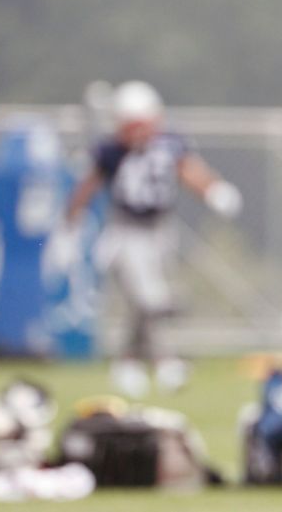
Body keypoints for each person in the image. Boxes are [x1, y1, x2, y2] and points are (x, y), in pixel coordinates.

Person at [51, 80, 242, 397]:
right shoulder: (110, 151)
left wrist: (213, 190)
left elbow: (189, 170)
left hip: (161, 229)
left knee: (143, 306)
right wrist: (69, 228)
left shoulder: (169, 143)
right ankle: (166, 362)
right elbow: (87, 187)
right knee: (150, 298)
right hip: (126, 230)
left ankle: (127, 362)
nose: (139, 133)